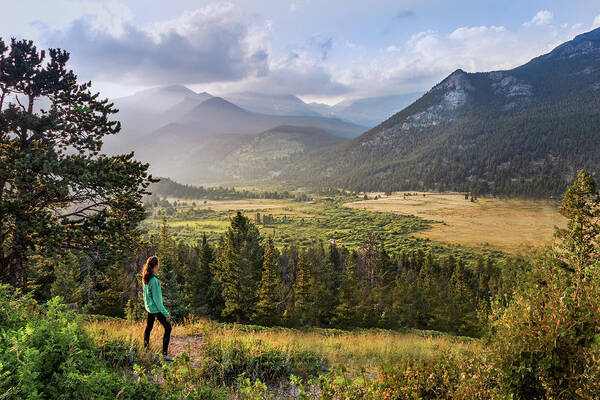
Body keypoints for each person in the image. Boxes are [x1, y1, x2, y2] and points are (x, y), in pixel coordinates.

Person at [142, 256, 172, 361]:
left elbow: (145, 295)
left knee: (148, 328)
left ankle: (146, 351)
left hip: (149, 308)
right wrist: (166, 314)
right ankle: (164, 355)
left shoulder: (146, 277)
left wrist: (147, 306)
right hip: (156, 309)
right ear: (155, 266)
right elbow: (158, 302)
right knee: (168, 328)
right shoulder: (154, 281)